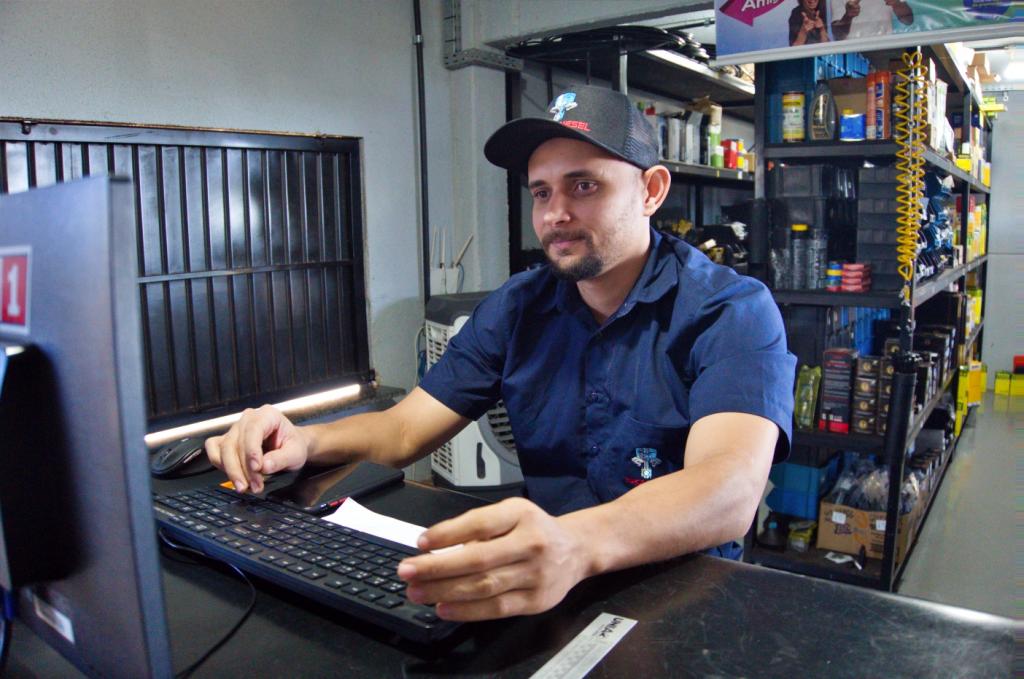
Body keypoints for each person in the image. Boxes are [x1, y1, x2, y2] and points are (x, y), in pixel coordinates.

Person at [205, 85, 796, 623]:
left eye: (584, 185)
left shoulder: (729, 311)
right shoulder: (519, 307)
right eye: (541, 192)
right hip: (542, 580)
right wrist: (305, 440)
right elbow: (404, 430)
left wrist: (577, 544)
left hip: (683, 593)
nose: (555, 214)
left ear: (652, 190)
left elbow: (728, 489)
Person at [831, 0, 913, 41]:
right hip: (853, 52)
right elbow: (838, 35)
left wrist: (896, 3)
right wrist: (848, 16)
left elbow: (908, 20)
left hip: (885, 48)